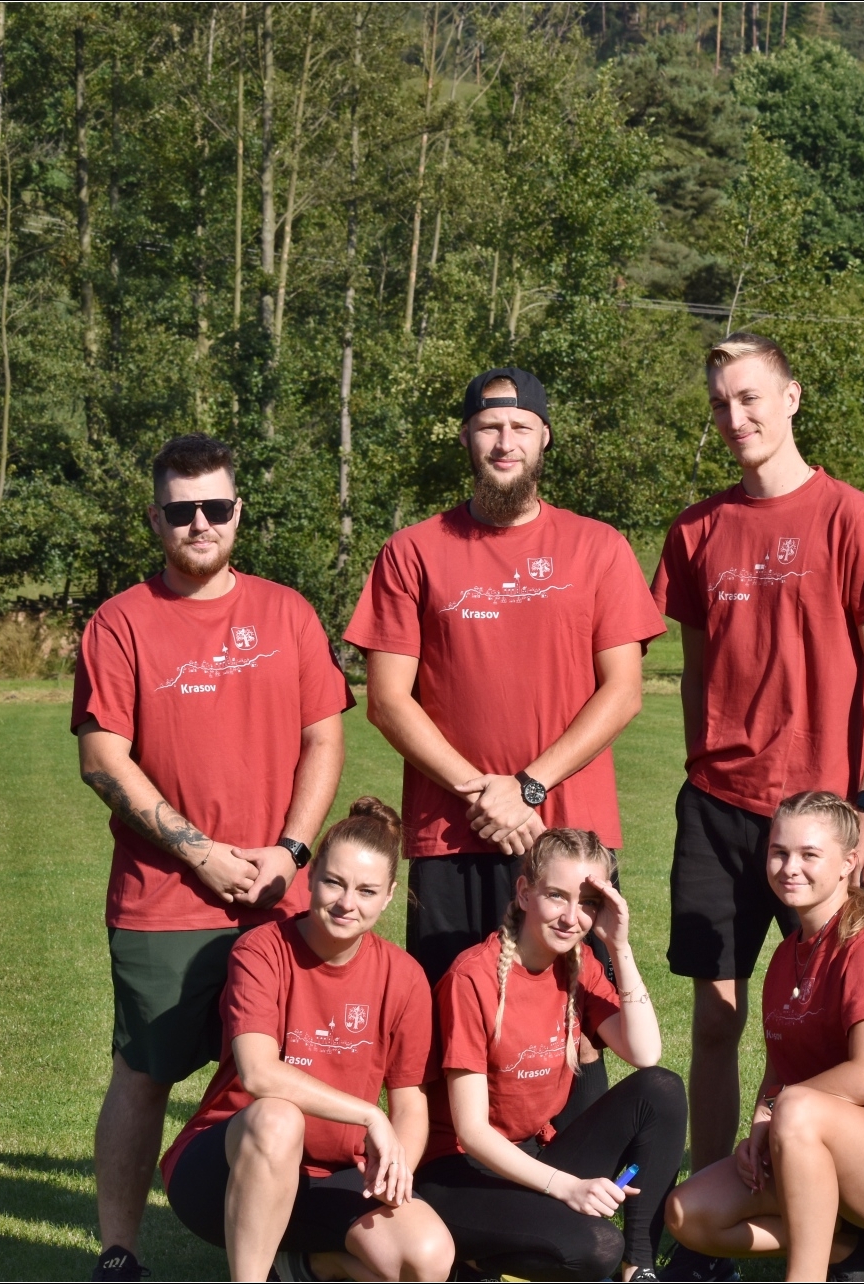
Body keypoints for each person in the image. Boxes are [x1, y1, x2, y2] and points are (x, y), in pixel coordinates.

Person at [649, 334, 864, 1229]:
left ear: (792, 397)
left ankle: (857, 1215)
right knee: (717, 1022)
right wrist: (705, 760)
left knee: (839, 1027)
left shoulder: (850, 516)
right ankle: (711, 1213)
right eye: (721, 403)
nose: (736, 418)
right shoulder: (696, 530)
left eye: (751, 397)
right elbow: (695, 669)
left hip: (820, 817)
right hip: (718, 811)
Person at [344, 367, 664, 1112]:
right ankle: (445, 1176)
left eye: (521, 426)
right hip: (450, 835)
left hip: (568, 836)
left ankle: (576, 1170)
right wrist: (482, 792)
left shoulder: (598, 547)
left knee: (577, 1026)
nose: (504, 441)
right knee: (447, 1023)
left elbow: (623, 691)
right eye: (489, 426)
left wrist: (527, 788)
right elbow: (387, 700)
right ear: (466, 436)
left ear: (544, 437)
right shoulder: (413, 551)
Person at [74, 434, 350, 1282]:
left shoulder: (288, 613)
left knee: (285, 1076)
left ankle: (284, 1246)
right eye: (182, 510)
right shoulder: (120, 621)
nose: (201, 523)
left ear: (238, 512)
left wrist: (291, 851)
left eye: (216, 507)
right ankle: (120, 1252)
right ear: (155, 518)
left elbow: (324, 737)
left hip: (280, 894)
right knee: (144, 1071)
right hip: (164, 900)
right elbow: (102, 758)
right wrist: (200, 853)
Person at [664, 792, 864, 1282]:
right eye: (779, 852)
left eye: (809, 855)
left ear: (848, 863)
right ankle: (852, 1254)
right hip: (808, 1137)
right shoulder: (786, 955)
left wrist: (780, 1110)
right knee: (688, 1214)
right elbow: (780, 1071)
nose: (789, 868)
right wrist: (761, 1126)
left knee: (798, 1107)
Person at [160, 798, 454, 1282]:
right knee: (278, 1119)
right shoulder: (261, 950)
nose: (347, 903)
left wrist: (396, 1166)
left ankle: (300, 1265)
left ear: (388, 896)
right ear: (311, 876)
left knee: (426, 1258)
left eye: (366, 890)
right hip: (228, 1169)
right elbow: (258, 1075)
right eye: (335, 882)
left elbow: (411, 1103)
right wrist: (368, 1115)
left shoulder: (404, 977)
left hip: (330, 1172)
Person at [415, 828, 687, 1281]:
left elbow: (645, 1052)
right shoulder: (472, 978)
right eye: (557, 896)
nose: (571, 917)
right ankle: (472, 1263)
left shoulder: (579, 964)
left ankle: (639, 1268)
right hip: (460, 1172)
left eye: (588, 903)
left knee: (662, 1090)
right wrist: (568, 1188)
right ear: (524, 893)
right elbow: (472, 1132)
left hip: (532, 1157)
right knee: (597, 1245)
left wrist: (619, 946)